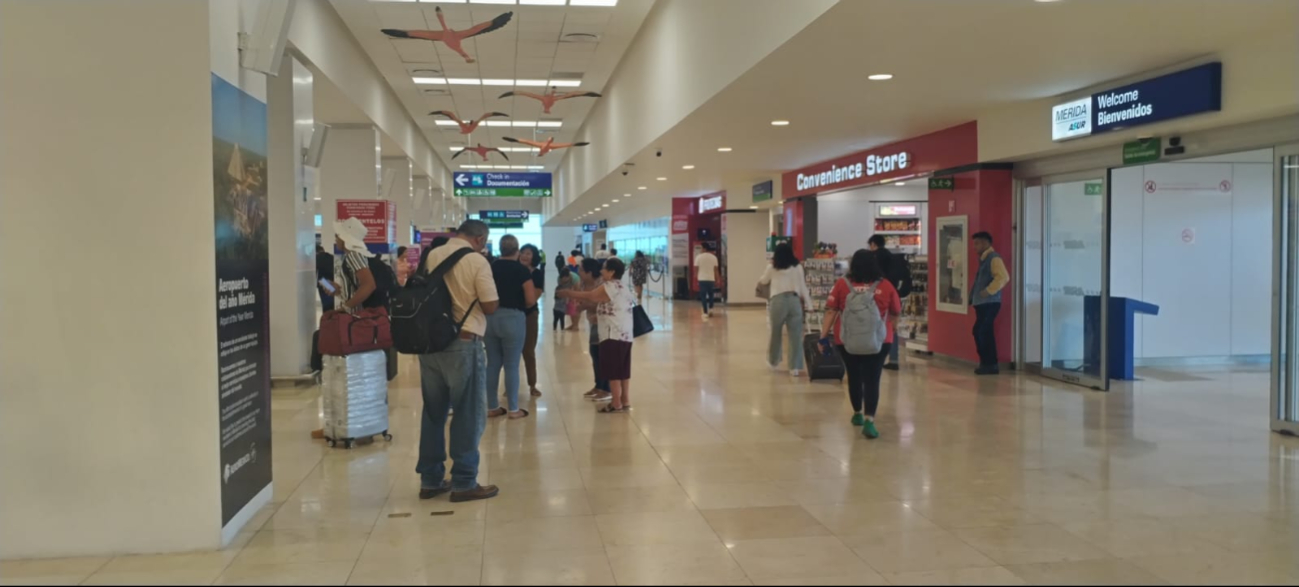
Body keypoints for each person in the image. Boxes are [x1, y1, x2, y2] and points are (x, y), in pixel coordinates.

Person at [417, 220, 500, 502]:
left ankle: (430, 480)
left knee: (433, 412)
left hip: (430, 344)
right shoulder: (476, 261)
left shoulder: (431, 255)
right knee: (467, 412)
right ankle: (464, 482)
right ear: (478, 239)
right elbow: (489, 305)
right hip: (464, 343)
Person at [819, 250, 900, 440]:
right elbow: (896, 312)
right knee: (873, 379)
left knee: (854, 376)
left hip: (847, 340)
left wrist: (823, 337)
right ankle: (870, 420)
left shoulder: (842, 285)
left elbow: (831, 312)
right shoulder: (886, 286)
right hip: (879, 341)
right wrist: (892, 330)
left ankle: (857, 414)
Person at [312, 219, 380, 441]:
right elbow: (349, 289)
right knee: (352, 374)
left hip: (354, 322)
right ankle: (349, 424)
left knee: (346, 375)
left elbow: (369, 285)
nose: (336, 239)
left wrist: (347, 308)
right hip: (357, 321)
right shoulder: (356, 257)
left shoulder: (354, 256)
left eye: (339, 235)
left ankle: (351, 424)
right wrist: (332, 288)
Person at [558, 258, 636, 413]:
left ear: (612, 271)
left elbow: (591, 296)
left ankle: (616, 403)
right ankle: (625, 400)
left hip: (612, 334)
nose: (601, 271)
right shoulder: (623, 286)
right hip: (625, 334)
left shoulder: (610, 286)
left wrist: (567, 292)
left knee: (614, 371)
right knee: (623, 370)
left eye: (605, 268)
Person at [484, 235, 538, 419]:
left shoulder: (489, 268)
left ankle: (492, 406)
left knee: (492, 364)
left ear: (500, 249)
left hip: (490, 318)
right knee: (512, 364)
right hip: (513, 318)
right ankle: (513, 409)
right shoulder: (521, 270)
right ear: (517, 251)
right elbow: (531, 299)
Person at [758, 242, 812, 376]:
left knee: (776, 332)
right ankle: (794, 367)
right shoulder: (798, 267)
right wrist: (809, 305)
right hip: (794, 301)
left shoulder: (772, 267)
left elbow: (763, 281)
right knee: (795, 335)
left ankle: (773, 362)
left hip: (778, 301)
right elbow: (803, 287)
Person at [868, 235, 912, 371]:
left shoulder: (874, 257)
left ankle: (874, 355)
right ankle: (893, 359)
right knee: (892, 326)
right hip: (893, 294)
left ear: (873, 244)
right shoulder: (893, 257)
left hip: (877, 294)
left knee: (873, 325)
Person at [970, 231, 1009, 375]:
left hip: (990, 303)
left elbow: (1003, 277)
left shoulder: (993, 259)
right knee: (985, 332)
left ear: (986, 243)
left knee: (980, 331)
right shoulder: (983, 260)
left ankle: (990, 363)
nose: (974, 247)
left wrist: (988, 291)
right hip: (982, 303)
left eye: (977, 243)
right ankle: (987, 363)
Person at [573, 258, 609, 399]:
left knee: (603, 355)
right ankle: (598, 385)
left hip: (605, 323)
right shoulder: (582, 284)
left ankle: (606, 389)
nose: (578, 272)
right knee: (595, 354)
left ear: (589, 272)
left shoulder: (601, 283)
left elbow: (603, 303)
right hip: (593, 322)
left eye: (581, 269)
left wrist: (584, 306)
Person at [519, 244, 545, 398]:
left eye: (528, 253)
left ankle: (532, 385)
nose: (524, 256)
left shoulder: (537, 273)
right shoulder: (515, 270)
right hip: (513, 315)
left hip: (530, 315)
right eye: (522, 252)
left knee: (528, 351)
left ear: (534, 256)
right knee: (511, 352)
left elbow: (535, 296)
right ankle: (510, 385)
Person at [695, 243, 721, 319]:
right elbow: (716, 270)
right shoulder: (714, 258)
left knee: (703, 296)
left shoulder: (698, 257)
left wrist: (697, 277)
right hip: (711, 279)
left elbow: (696, 269)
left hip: (702, 279)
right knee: (711, 295)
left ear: (704, 249)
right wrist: (717, 279)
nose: (700, 250)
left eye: (701, 248)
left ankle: (705, 312)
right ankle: (711, 309)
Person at [553, 266, 574, 330]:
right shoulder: (559, 281)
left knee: (560, 320)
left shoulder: (573, 279)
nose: (564, 280)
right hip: (559, 309)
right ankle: (559, 329)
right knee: (558, 320)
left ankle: (560, 329)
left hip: (558, 309)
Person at [316, 244, 335, 311]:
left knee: (326, 305)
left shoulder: (317, 258)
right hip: (334, 282)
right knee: (333, 303)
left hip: (323, 282)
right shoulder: (332, 257)